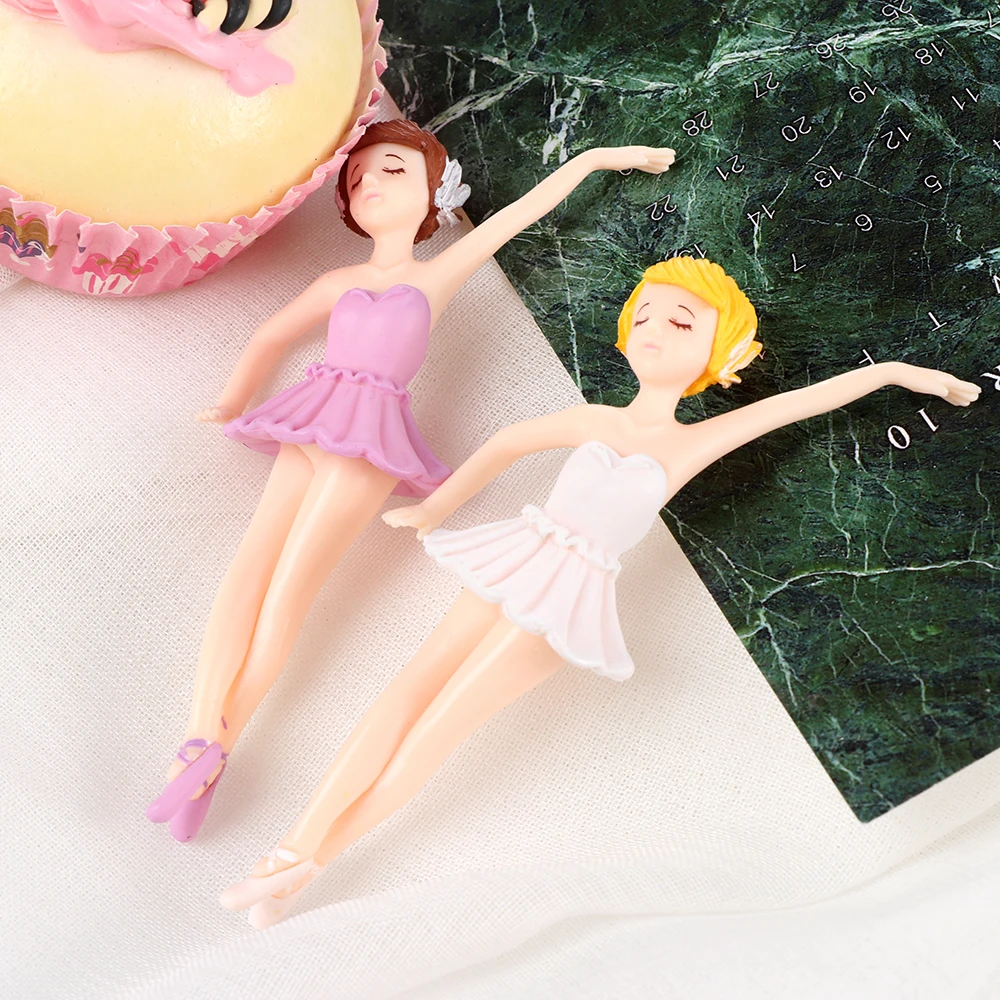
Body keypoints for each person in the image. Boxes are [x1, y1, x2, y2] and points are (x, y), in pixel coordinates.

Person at [218, 255, 981, 927]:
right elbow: (505, 444)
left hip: (566, 602)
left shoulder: (696, 441)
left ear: (719, 350)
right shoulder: (594, 417)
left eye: (680, 322)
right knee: (403, 695)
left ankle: (299, 866)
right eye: (643, 315)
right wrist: (432, 510)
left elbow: (806, 403)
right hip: (520, 556)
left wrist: (898, 373)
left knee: (434, 734)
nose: (654, 330)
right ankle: (292, 852)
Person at [145, 118, 676, 842]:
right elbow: (272, 336)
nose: (370, 184)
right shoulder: (338, 281)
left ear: (433, 191)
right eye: (357, 178)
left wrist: (594, 158)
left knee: (290, 591)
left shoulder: (436, 275)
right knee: (248, 572)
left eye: (392, 170)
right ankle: (199, 738)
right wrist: (234, 400)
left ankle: (218, 747)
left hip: (368, 441)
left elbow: (522, 214)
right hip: (310, 416)